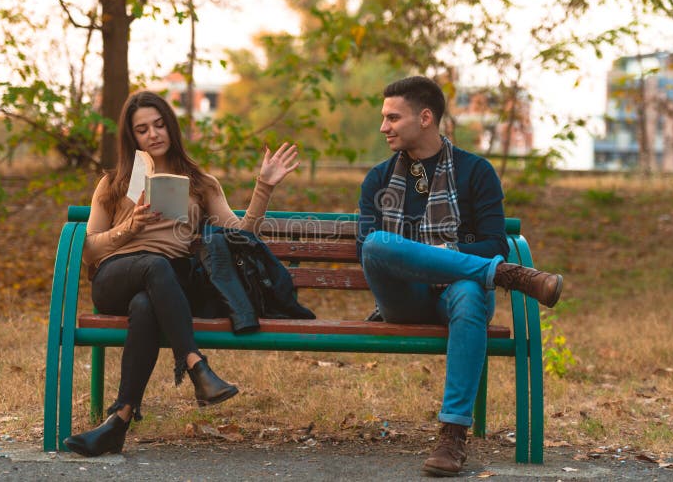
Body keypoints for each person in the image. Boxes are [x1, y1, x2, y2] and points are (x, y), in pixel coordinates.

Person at [63, 91, 299, 457]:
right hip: (115, 277)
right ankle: (195, 365)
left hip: (166, 285)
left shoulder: (200, 182)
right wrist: (131, 227)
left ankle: (118, 421)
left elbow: (242, 238)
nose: (153, 134)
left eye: (159, 125)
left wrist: (264, 186)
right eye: (142, 129)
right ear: (132, 137)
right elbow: (90, 251)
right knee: (152, 268)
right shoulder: (114, 183)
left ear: (170, 126)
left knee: (147, 302)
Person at [357, 76, 562, 477]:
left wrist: (440, 258)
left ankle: (452, 436)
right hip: (403, 298)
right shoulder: (378, 180)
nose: (384, 127)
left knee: (469, 291)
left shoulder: (476, 172)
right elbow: (371, 251)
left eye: (393, 118)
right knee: (379, 242)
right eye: (384, 118)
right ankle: (506, 277)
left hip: (456, 297)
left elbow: (493, 243)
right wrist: (482, 266)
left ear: (426, 118)